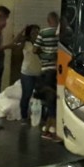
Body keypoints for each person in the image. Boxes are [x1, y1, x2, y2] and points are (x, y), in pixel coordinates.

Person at [34, 11, 61, 141]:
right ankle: (51, 131)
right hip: (59, 71)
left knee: (51, 102)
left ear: (48, 20)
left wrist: (44, 56)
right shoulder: (64, 32)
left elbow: (35, 49)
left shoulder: (43, 33)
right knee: (55, 101)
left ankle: (48, 131)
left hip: (46, 70)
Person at [16, 24, 41, 125]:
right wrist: (23, 29)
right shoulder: (25, 43)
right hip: (27, 73)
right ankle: (24, 117)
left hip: (39, 72)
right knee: (26, 95)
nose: (35, 34)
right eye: (33, 32)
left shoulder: (41, 43)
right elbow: (16, 40)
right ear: (29, 34)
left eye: (37, 32)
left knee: (40, 95)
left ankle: (38, 116)